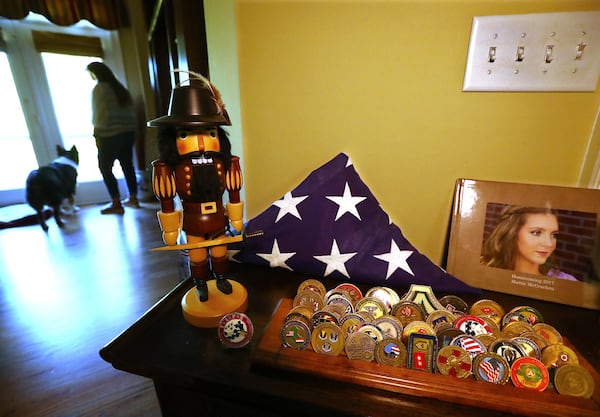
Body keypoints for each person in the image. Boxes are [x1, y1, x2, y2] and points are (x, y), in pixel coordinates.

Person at [87, 61, 139, 214]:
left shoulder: (100, 89)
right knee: (127, 165)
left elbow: (99, 116)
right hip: (128, 133)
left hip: (109, 135)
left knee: (105, 168)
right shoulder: (121, 89)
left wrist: (97, 134)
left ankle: (116, 202)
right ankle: (133, 198)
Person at [481, 205, 578, 281]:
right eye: (536, 232)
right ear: (512, 233)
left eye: (554, 235)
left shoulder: (567, 281)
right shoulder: (484, 273)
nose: (549, 244)